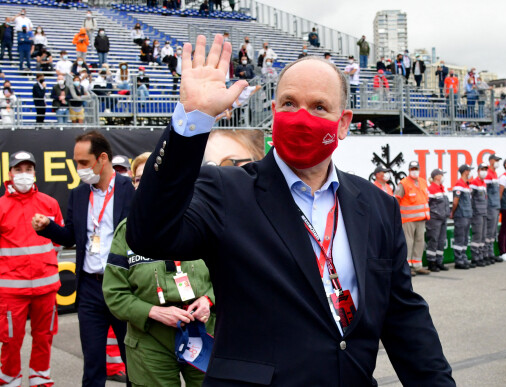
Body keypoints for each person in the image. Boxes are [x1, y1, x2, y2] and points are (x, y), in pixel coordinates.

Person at [127, 35, 454, 385]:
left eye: (318, 107)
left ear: (343, 123)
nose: (302, 118)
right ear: (273, 112)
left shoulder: (377, 206)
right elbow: (150, 234)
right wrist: (191, 122)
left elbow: (404, 317)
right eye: (289, 104)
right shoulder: (226, 190)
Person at [104, 152, 216, 386]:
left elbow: (231, 276)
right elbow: (115, 294)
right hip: (149, 340)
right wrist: (153, 311)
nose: (145, 185)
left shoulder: (203, 223)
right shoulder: (127, 232)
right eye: (138, 179)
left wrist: (208, 300)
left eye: (152, 177)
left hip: (204, 334)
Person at [33, 131, 134, 387]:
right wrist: (47, 227)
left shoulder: (129, 190)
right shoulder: (79, 194)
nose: (79, 169)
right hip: (89, 287)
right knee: (92, 363)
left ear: (102, 158)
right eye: (76, 162)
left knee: (133, 359)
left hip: (123, 285)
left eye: (84, 163)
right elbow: (70, 236)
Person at [0, 151, 63, 387]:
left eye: (28, 169)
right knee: (11, 339)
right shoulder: (1, 207)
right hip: (11, 291)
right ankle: (9, 380)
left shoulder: (50, 203)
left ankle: (40, 378)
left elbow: (58, 242)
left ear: (35, 173)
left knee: (44, 337)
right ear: (10, 174)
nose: (24, 175)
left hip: (46, 287)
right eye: (19, 169)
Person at [395, 161, 431, 276]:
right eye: (412, 169)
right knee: (408, 243)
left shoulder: (423, 182)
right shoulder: (404, 183)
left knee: (420, 242)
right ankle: (407, 267)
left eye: (416, 168)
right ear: (409, 170)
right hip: (408, 220)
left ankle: (417, 265)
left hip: (421, 219)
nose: (414, 170)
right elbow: (397, 199)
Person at [426, 168, 450, 272]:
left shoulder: (443, 189)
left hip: (443, 219)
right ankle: (431, 262)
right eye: (441, 175)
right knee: (434, 240)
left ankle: (439, 262)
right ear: (436, 176)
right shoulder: (430, 189)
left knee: (441, 241)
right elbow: (427, 204)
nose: (442, 177)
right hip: (434, 219)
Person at [450, 165, 473, 269]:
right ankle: (458, 260)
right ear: (465, 172)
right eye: (469, 171)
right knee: (460, 238)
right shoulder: (459, 184)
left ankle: (463, 258)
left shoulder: (466, 184)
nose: (470, 173)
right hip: (461, 215)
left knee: (464, 239)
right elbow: (455, 202)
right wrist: (453, 213)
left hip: (467, 215)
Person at [484, 154, 504, 263]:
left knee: (493, 232)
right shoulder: (487, 173)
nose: (497, 162)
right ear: (491, 161)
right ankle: (486, 254)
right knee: (489, 231)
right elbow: (485, 192)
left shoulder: (494, 173)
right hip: (490, 206)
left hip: (495, 205)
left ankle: (490, 253)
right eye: (496, 160)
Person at [469, 163, 489, 267]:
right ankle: (475, 258)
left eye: (486, 169)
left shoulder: (484, 183)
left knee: (483, 236)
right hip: (477, 214)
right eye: (482, 169)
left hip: (484, 212)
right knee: (477, 236)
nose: (484, 171)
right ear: (478, 170)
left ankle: (480, 256)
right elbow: (471, 199)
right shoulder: (474, 183)